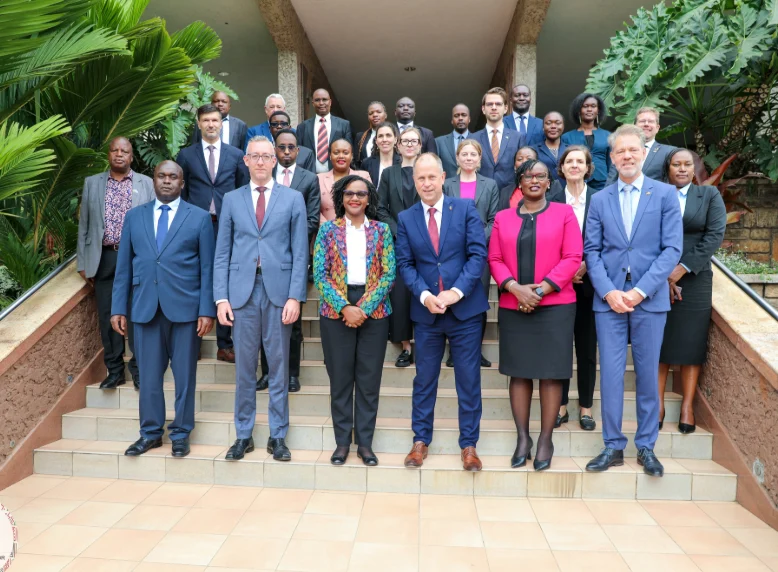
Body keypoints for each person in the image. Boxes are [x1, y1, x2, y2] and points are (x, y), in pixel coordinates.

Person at [584, 125, 683, 478]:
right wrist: (609, 291)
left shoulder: (665, 195)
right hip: (608, 300)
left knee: (646, 375)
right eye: (619, 151)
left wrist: (639, 291)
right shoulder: (600, 199)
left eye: (632, 150)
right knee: (610, 376)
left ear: (643, 152)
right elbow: (591, 251)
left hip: (650, 299)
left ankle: (646, 446)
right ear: (612, 158)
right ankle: (612, 445)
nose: (626, 156)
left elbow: (672, 249)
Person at [111, 160, 215, 458]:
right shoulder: (134, 217)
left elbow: (207, 268)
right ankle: (150, 433)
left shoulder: (198, 218)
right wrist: (119, 307)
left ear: (182, 183)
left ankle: (181, 433)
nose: (167, 181)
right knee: (149, 377)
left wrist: (206, 310)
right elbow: (124, 268)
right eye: (161, 176)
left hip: (185, 310)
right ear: (153, 181)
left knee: (184, 377)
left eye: (173, 177)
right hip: (144, 309)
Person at [213, 135, 309, 462]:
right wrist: (220, 298)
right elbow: (222, 252)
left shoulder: (294, 198)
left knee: (279, 366)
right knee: (244, 368)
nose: (260, 162)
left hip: (279, 292)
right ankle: (244, 434)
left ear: (275, 161)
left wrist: (296, 296)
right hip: (240, 293)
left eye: (266, 156)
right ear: (245, 161)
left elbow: (300, 254)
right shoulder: (231, 199)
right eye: (254, 156)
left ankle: (277, 435)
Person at [396, 153, 490, 472]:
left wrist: (455, 292)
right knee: (424, 379)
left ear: (442, 177)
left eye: (431, 177)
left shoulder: (464, 208)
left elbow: (478, 255)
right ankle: (420, 440)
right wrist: (425, 296)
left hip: (464, 311)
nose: (426, 183)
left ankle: (469, 445)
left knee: (468, 379)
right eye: (420, 178)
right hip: (427, 314)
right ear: (415, 181)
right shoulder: (407, 218)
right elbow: (405, 264)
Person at [489, 159, 582, 471]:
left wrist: (539, 291)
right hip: (514, 304)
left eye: (540, 175)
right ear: (519, 181)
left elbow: (572, 257)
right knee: (520, 372)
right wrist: (517, 289)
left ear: (548, 182)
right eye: (527, 175)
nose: (534, 180)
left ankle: (545, 439)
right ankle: (523, 438)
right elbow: (495, 258)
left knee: (551, 373)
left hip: (555, 305)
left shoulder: (564, 213)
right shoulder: (503, 217)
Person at [313, 175, 396, 466]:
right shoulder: (327, 231)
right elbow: (320, 275)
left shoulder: (382, 230)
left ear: (369, 198)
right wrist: (345, 307)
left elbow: (388, 274)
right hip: (336, 312)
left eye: (361, 193)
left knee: (369, 380)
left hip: (373, 312)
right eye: (349, 193)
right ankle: (341, 443)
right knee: (340, 379)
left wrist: (363, 307)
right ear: (341, 197)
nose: (355, 198)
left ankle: (365, 443)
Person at [77, 137, 154, 390]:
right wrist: (83, 262)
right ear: (108, 154)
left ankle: (140, 370)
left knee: (138, 316)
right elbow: (85, 225)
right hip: (105, 257)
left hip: (137, 257)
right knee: (108, 316)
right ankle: (115, 371)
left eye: (125, 151)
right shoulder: (92, 184)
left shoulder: (147, 184)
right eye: (115, 150)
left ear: (132, 157)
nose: (119, 154)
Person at [658, 148, 726, 434]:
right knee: (659, 341)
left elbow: (714, 235)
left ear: (695, 168)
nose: (682, 169)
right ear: (668, 168)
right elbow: (644, 236)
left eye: (688, 164)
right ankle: (657, 404)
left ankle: (687, 405)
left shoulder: (709, 196)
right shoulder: (656, 196)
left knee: (691, 342)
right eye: (677, 164)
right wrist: (665, 277)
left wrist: (682, 269)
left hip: (696, 278)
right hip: (657, 277)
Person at [177, 103, 249, 363]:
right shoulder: (186, 155)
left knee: (225, 279)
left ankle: (224, 343)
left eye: (215, 120)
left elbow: (243, 193)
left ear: (222, 123)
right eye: (205, 120)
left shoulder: (236, 154)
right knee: (194, 279)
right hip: (196, 226)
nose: (210, 124)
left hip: (226, 226)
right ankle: (192, 343)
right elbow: (181, 194)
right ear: (198, 123)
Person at [256, 128, 322, 393]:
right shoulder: (263, 176)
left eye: (290, 147)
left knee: (290, 322)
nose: (285, 152)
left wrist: (284, 238)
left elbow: (313, 219)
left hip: (293, 258)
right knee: (263, 321)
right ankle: (267, 373)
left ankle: (292, 374)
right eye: (280, 147)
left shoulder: (308, 179)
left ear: (298, 151)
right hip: (262, 260)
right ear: (274, 150)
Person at [550, 146, 599, 431]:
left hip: (592, 284)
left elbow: (607, 239)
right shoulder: (552, 198)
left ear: (588, 167)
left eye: (580, 161)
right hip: (560, 285)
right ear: (562, 167)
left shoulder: (600, 198)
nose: (575, 165)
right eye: (570, 161)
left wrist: (586, 265)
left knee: (587, 349)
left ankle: (586, 407)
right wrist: (567, 271)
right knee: (561, 348)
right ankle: (561, 406)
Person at [442, 139, 498, 369]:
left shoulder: (490, 184)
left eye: (473, 154)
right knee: (452, 298)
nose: (468, 158)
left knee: (477, 299)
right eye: (464, 154)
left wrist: (475, 238)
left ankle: (476, 350)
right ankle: (454, 351)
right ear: (457, 158)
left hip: (479, 251)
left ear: (479, 158)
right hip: (451, 251)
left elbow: (494, 220)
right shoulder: (447, 184)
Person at [376, 127, 423, 367]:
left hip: (426, 242)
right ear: (398, 145)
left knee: (424, 290)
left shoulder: (426, 173)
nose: (410, 145)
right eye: (405, 141)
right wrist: (399, 231)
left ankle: (425, 343)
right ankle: (405, 345)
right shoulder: (389, 174)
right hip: (397, 243)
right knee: (402, 294)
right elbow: (380, 208)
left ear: (420, 145)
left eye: (414, 141)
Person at [469, 87, 524, 190]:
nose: (494, 107)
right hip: (481, 194)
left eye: (498, 104)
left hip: (509, 194)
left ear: (506, 109)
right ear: (483, 109)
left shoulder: (518, 137)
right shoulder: (472, 138)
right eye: (489, 104)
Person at [606, 107, 676, 185]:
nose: (646, 124)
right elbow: (611, 180)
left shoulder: (669, 152)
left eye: (651, 121)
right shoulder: (621, 151)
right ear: (635, 125)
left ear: (657, 128)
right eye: (642, 121)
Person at [561, 93, 611, 191]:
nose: (589, 109)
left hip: (603, 183)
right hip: (576, 182)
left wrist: (610, 184)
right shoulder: (566, 137)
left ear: (598, 111)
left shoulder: (608, 136)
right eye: (585, 106)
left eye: (593, 106)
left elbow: (612, 165)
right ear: (578, 110)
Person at [296, 89, 353, 173]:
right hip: (310, 177)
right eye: (317, 100)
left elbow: (348, 151)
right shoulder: (303, 127)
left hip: (336, 176)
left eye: (324, 100)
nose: (321, 103)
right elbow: (299, 154)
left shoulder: (344, 125)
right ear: (313, 103)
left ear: (330, 102)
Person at [318, 139, 370, 223]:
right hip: (326, 232)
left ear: (352, 156)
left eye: (345, 153)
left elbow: (370, 205)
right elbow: (313, 209)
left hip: (357, 230)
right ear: (330, 156)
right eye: (336, 152)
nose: (341, 156)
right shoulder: (318, 179)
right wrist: (328, 228)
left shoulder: (363, 176)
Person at [498, 146, 539, 211]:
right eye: (520, 159)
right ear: (514, 167)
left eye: (529, 159)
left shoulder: (551, 187)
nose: (524, 162)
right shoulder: (505, 191)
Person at [435, 104, 471, 178]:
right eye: (456, 115)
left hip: (473, 186)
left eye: (464, 115)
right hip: (447, 187)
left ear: (469, 119)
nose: (460, 118)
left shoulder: (478, 140)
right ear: (452, 120)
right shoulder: (439, 142)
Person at [361, 122, 401, 187]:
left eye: (388, 135)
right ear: (376, 141)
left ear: (395, 140)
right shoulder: (366, 163)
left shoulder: (403, 162)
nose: (384, 139)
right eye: (380, 136)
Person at [535, 112, 567, 183]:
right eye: (548, 123)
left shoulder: (571, 151)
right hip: (542, 192)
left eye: (558, 123)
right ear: (543, 127)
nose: (553, 126)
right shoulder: (534, 150)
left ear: (563, 126)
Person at [354, 101, 388, 168]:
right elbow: (356, 162)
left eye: (378, 112)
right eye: (371, 113)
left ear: (385, 115)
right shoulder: (360, 137)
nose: (375, 115)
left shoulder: (394, 135)